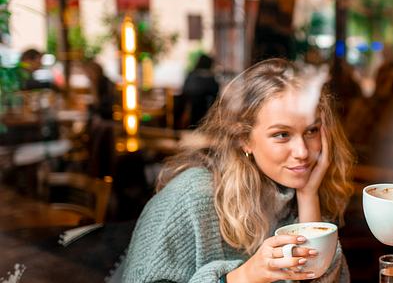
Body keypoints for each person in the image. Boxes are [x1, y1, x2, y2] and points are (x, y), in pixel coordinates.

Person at [122, 59, 354, 283]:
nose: (302, 151)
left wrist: (308, 197)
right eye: (282, 134)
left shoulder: (298, 193)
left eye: (312, 131)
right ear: (244, 139)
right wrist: (244, 276)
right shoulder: (190, 197)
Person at [181, 54, 220, 128]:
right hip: (206, 110)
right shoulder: (211, 78)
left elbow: (184, 91)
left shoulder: (191, 75)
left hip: (190, 108)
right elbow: (216, 93)